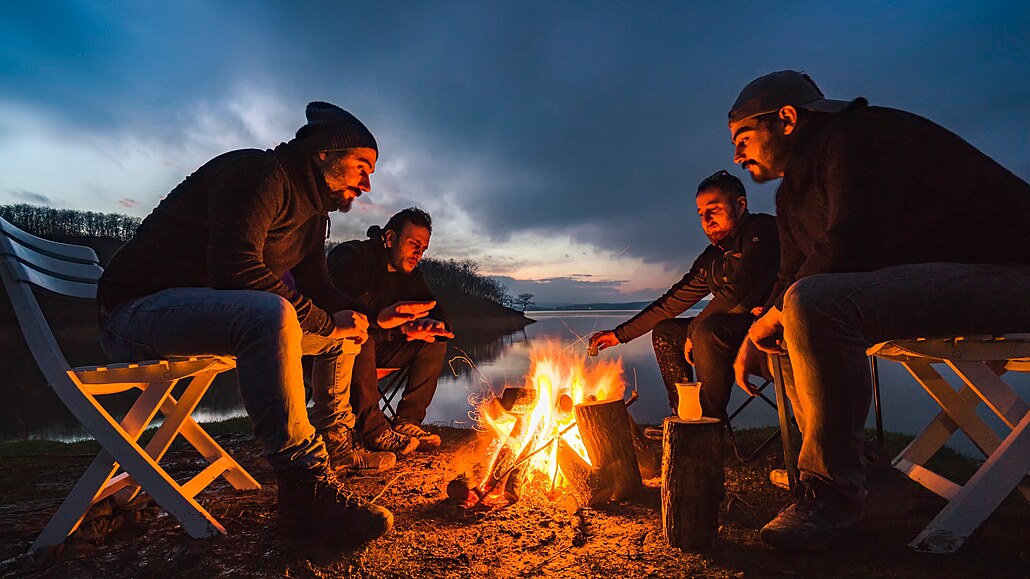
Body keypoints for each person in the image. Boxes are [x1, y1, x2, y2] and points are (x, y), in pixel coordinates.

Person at [95, 101, 429, 550]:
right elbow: (236, 272)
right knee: (270, 312)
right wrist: (323, 319)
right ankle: (304, 485)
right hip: (136, 314)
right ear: (324, 154)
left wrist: (362, 319)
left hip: (204, 318)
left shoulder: (313, 217)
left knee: (344, 337)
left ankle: (338, 446)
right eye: (361, 166)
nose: (367, 184)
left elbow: (319, 287)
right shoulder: (258, 173)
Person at [727, 70, 1030, 551]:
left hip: (1011, 273)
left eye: (744, 137)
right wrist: (754, 333)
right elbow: (791, 278)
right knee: (792, 313)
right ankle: (857, 471)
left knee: (814, 302)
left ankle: (833, 497)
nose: (737, 155)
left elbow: (852, 246)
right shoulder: (790, 197)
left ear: (786, 119)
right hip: (951, 281)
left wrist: (784, 307)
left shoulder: (858, 136)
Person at [588, 170, 778, 423]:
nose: (707, 219)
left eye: (714, 209)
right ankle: (684, 417)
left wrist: (696, 327)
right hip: (724, 332)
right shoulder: (710, 259)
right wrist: (619, 335)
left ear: (740, 204)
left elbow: (738, 289)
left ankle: (711, 423)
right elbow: (670, 303)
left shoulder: (763, 231)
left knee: (706, 330)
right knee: (666, 331)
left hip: (770, 329)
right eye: (701, 214)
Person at [327, 208, 453, 453]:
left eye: (423, 248)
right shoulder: (351, 257)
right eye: (413, 244)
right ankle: (373, 430)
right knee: (360, 334)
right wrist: (392, 325)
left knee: (434, 340)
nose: (418, 253)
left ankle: (407, 421)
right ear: (390, 238)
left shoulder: (411, 275)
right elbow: (345, 312)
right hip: (336, 351)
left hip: (380, 348)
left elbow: (434, 307)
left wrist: (436, 325)